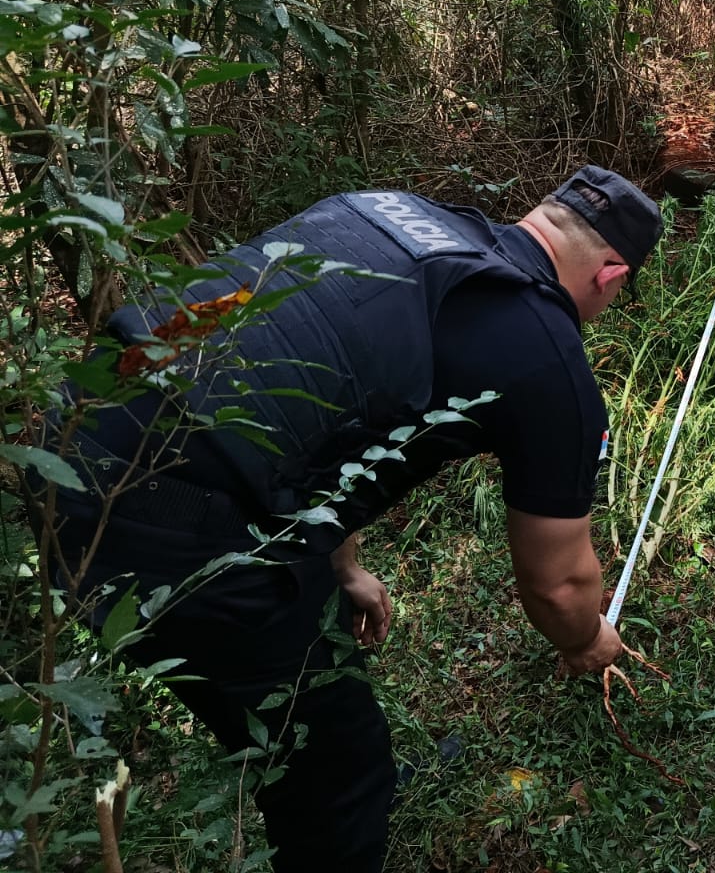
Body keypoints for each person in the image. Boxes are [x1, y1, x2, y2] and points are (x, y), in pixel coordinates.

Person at [30, 168, 664, 871]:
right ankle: (337, 792)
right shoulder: (548, 358)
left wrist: (342, 564)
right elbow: (557, 586)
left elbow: (326, 390)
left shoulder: (390, 213)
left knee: (312, 690)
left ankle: (322, 758)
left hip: (73, 437)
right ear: (610, 276)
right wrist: (586, 640)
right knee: (338, 772)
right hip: (172, 513)